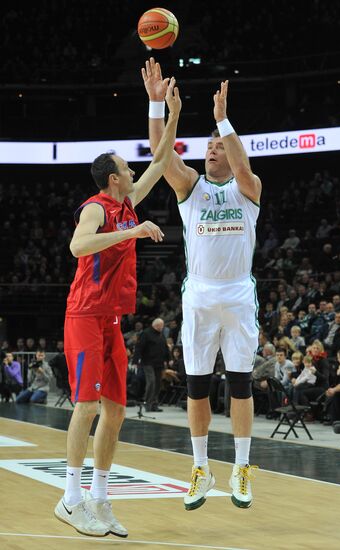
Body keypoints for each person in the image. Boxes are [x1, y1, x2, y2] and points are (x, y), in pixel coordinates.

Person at [54, 78, 182, 538]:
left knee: (116, 411)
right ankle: (71, 499)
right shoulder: (98, 207)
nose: (133, 171)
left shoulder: (128, 202)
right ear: (113, 178)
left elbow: (162, 161)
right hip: (84, 317)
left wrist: (172, 115)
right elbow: (77, 246)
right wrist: (131, 232)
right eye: (128, 168)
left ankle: (101, 498)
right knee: (86, 405)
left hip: (111, 320)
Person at [142, 57, 261, 510]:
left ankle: (242, 466)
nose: (212, 151)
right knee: (195, 385)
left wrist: (222, 122)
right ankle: (200, 468)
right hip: (200, 294)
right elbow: (161, 155)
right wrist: (157, 106)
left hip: (236, 294)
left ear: (231, 154)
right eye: (209, 146)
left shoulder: (248, 188)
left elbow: (244, 167)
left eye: (219, 147)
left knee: (241, 385)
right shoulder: (191, 187)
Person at [132, 317, 170, 412]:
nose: (162, 327)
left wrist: (168, 359)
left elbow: (165, 348)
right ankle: (147, 402)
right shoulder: (146, 333)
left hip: (159, 363)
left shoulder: (161, 335)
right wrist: (135, 361)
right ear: (156, 325)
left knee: (158, 384)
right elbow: (139, 347)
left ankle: (154, 404)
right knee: (151, 382)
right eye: (161, 326)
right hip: (148, 362)